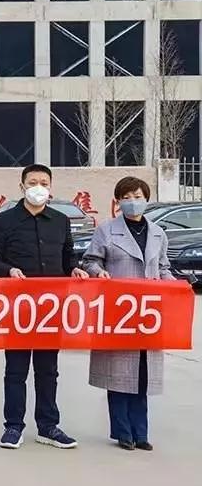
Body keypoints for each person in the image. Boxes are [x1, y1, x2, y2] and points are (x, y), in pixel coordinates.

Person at [0, 163, 90, 450]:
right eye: (32, 182)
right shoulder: (4, 221)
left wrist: (74, 269)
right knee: (16, 369)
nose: (38, 187)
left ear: (50, 188)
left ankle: (48, 426)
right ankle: (13, 426)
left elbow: (68, 257)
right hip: (17, 307)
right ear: (22, 186)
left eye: (44, 183)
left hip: (51, 308)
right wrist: (8, 270)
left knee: (48, 369)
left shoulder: (60, 221)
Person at [82, 176, 174, 451]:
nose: (133, 202)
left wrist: (174, 286)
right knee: (119, 373)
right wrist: (99, 272)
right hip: (118, 311)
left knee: (142, 373)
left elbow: (163, 267)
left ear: (146, 199)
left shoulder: (157, 233)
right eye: (127, 197)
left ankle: (141, 433)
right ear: (118, 201)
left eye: (137, 196)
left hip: (148, 313)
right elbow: (90, 261)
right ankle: (123, 432)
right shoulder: (106, 230)